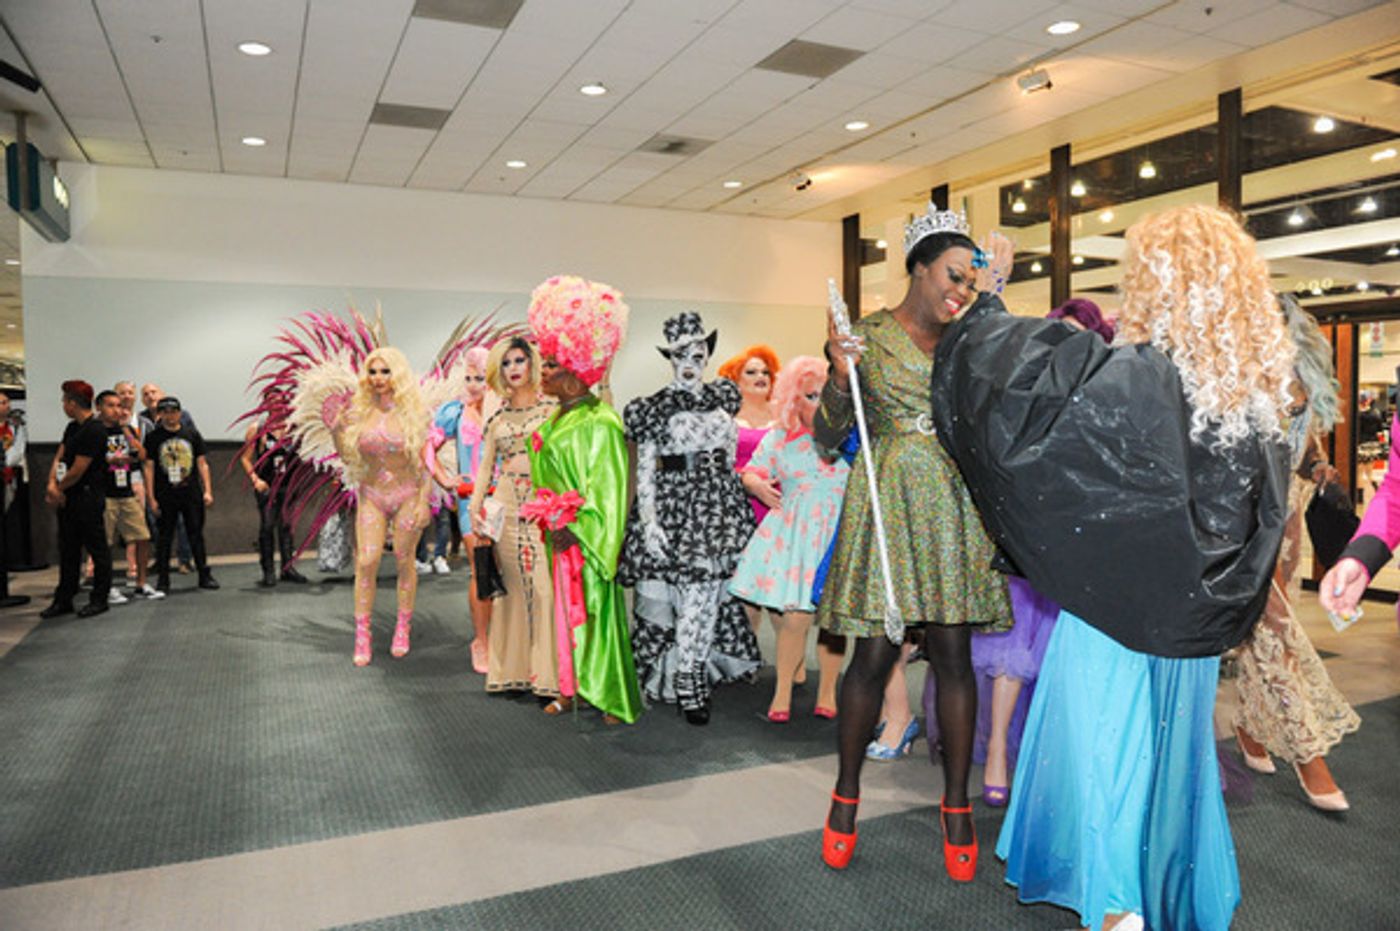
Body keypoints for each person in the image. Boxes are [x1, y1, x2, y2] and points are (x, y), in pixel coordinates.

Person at [933, 204, 1292, 931]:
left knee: (1104, 761)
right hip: (1185, 636)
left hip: (1111, 620)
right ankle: (1156, 889)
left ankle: (1117, 903)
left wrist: (986, 303)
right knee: (1167, 769)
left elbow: (1015, 388)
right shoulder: (1254, 402)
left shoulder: (1136, 381)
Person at [817, 203, 1013, 880]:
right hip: (889, 506)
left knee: (955, 654)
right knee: (872, 657)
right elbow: (825, 435)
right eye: (952, 277)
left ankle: (955, 804)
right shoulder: (863, 336)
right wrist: (840, 378)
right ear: (920, 267)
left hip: (956, 508)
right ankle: (845, 793)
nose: (959, 291)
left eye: (970, 283)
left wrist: (997, 303)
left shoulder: (974, 336)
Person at [921, 298, 1114, 800]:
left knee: (1069, 660)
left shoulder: (1105, 397)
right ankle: (999, 757)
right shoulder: (1025, 393)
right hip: (1026, 541)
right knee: (1012, 652)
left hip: (1080, 547)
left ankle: (1057, 756)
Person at [1231, 295, 1359, 812]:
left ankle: (1246, 728)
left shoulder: (1302, 377)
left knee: (1257, 637)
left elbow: (1306, 450)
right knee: (1277, 634)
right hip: (1247, 527)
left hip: (1288, 524)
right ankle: (1309, 756)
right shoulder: (1240, 380)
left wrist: (1320, 468)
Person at [620, 312, 761, 726]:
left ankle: (693, 673)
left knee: (709, 598)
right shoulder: (653, 408)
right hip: (676, 510)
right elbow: (645, 468)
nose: (689, 361)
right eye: (681, 354)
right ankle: (688, 677)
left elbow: (731, 454)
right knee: (692, 600)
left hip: (720, 508)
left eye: (697, 354)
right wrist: (649, 522)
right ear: (669, 357)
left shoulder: (723, 398)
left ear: (706, 357)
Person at [526, 274, 643, 725]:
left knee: (596, 614)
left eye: (552, 364)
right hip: (558, 538)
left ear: (577, 370)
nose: (544, 371)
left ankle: (612, 696)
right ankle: (571, 688)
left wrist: (575, 527)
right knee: (563, 619)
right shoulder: (558, 418)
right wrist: (549, 518)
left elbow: (611, 491)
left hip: (586, 541)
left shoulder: (602, 421)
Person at [729, 355, 849, 722]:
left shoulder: (850, 440)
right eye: (811, 396)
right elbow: (751, 471)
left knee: (834, 622)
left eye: (826, 397)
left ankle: (828, 691)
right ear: (795, 397)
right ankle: (782, 692)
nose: (819, 404)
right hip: (796, 538)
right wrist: (757, 485)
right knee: (795, 618)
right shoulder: (781, 437)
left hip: (838, 538)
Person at [316, 347, 433, 665]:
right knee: (366, 561)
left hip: (408, 493)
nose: (379, 378)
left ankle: (402, 627)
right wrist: (337, 429)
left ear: (398, 375)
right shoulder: (357, 412)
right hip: (372, 495)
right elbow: (347, 458)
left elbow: (426, 464)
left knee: (404, 558)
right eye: (373, 372)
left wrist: (424, 502)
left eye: (385, 371)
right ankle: (362, 633)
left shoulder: (416, 413)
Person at [468, 338, 559, 701]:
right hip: (504, 506)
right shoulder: (497, 419)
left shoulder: (553, 411)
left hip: (542, 506)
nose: (514, 368)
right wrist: (476, 510)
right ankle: (512, 673)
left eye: (520, 360)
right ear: (499, 371)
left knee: (544, 590)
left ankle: (549, 675)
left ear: (531, 364)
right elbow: (486, 467)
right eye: (506, 363)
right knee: (511, 591)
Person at [427, 346, 493, 673]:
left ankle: (508, 642)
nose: (472, 384)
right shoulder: (454, 412)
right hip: (472, 504)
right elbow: (427, 446)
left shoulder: (508, 409)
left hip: (510, 501)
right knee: (481, 568)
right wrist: (444, 478)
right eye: (468, 377)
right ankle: (481, 641)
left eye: (479, 378)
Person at [41, 380, 113, 618]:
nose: (63, 405)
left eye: (64, 400)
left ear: (72, 403)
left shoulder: (95, 429)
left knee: (97, 548)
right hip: (68, 497)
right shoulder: (72, 428)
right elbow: (60, 457)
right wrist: (52, 484)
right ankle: (64, 598)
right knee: (68, 550)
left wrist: (58, 488)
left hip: (87, 497)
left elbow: (79, 468)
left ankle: (99, 598)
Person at [143, 397, 219, 593]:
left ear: (179, 413)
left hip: (191, 492)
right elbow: (149, 468)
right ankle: (163, 579)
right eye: (165, 412)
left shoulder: (191, 434)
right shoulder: (153, 438)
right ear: (160, 414)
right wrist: (150, 497)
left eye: (173, 411)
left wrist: (208, 490)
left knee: (195, 534)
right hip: (165, 494)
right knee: (164, 537)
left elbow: (202, 463)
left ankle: (204, 574)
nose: (170, 416)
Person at [96, 390, 161, 602]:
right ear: (99, 407)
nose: (117, 410)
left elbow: (142, 454)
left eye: (119, 406)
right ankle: (105, 588)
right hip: (104, 494)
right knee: (104, 543)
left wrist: (126, 431)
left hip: (126, 491)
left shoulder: (123, 430)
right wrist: (109, 461)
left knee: (143, 537)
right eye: (111, 405)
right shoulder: (94, 431)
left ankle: (141, 584)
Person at [241, 413, 306, 587]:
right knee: (267, 525)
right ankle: (268, 571)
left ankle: (287, 569)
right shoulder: (258, 428)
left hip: (288, 485)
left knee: (286, 526)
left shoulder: (293, 427)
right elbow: (245, 458)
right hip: (267, 485)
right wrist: (255, 479)